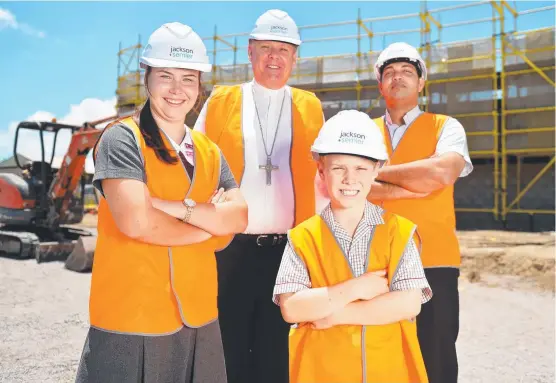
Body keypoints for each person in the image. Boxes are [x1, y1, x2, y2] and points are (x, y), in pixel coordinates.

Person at [75, 22, 248, 383]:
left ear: (199, 85)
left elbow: (239, 218)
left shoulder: (210, 151)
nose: (176, 89)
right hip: (132, 317)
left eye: (188, 78)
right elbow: (137, 222)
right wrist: (208, 228)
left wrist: (172, 208)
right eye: (165, 76)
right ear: (147, 76)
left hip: (199, 316)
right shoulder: (122, 139)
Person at [193, 9, 325, 383]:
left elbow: (324, 179)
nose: (274, 58)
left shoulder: (310, 106)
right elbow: (198, 166)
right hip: (227, 248)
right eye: (266, 48)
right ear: (249, 52)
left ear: (295, 57)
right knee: (227, 349)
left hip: (288, 249)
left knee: (278, 354)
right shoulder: (220, 101)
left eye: (284, 50)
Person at [273, 110, 432, 383]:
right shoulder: (303, 237)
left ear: (377, 171)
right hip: (321, 372)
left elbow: (408, 302)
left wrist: (334, 314)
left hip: (388, 372)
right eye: (338, 168)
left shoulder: (399, 231)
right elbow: (293, 309)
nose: (350, 179)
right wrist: (357, 288)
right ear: (321, 170)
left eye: (360, 168)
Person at [368, 42, 474, 383]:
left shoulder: (446, 126)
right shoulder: (363, 130)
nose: (397, 78)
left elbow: (441, 173)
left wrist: (375, 174)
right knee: (378, 358)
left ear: (421, 82)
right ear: (380, 84)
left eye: (407, 72)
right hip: (373, 264)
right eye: (389, 73)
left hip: (434, 261)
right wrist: (417, 181)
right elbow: (344, 183)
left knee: (436, 359)